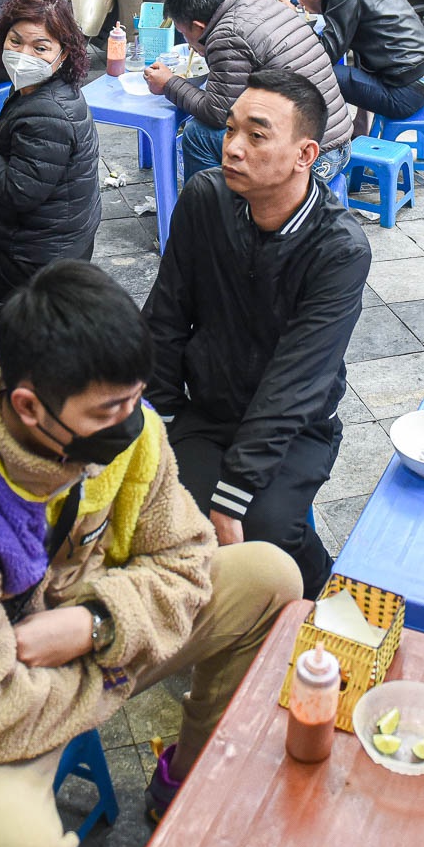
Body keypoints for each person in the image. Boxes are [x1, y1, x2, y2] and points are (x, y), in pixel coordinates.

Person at [0, 260, 303, 847]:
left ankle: (186, 776)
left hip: (65, 641)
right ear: (30, 407)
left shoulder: (125, 426)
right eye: (111, 409)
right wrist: (113, 664)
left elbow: (187, 556)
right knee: (19, 846)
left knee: (269, 576)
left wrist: (94, 627)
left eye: (136, 400)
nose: (131, 424)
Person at [142, 69, 371, 598]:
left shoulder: (339, 249)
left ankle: (325, 600)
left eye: (257, 135)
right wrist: (158, 417)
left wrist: (234, 490)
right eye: (229, 130)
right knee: (158, 507)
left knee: (266, 532)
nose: (233, 148)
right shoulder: (206, 198)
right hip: (210, 408)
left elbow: (298, 380)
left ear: (305, 154)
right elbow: (167, 314)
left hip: (298, 426)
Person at [0, 0, 101, 306]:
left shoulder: (49, 111)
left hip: (36, 261)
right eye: (15, 42)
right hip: (45, 237)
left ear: (64, 54)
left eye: (40, 47)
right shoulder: (44, 90)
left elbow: (19, 191)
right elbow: (16, 139)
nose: (23, 54)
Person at [145, 0, 352, 183]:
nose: (189, 43)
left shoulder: (226, 36)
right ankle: (232, 196)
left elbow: (217, 114)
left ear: (198, 26)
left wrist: (169, 83)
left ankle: (206, 210)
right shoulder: (257, 4)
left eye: (184, 32)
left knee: (197, 134)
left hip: (314, 160)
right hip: (339, 143)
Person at [281, 0, 424, 120]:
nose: (300, 3)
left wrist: (292, 19)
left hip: (404, 93)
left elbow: (324, 56)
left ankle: (330, 139)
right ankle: (358, 126)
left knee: (314, 73)